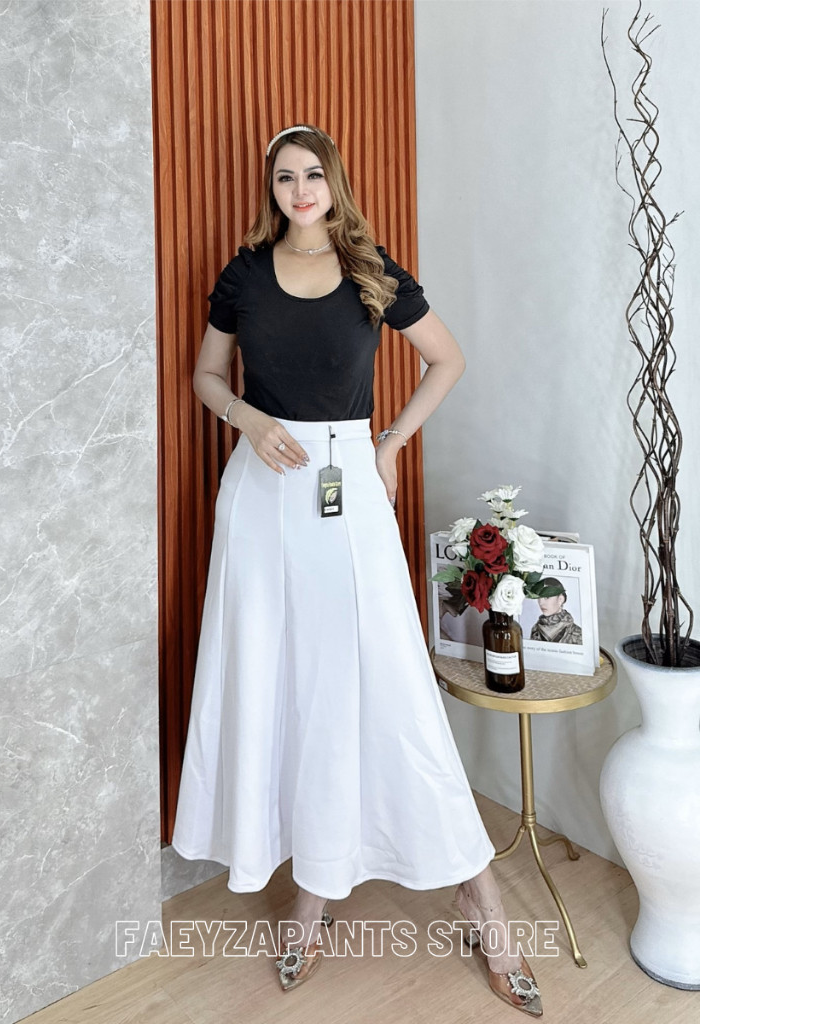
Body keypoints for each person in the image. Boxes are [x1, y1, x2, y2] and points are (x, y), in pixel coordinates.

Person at [169, 125, 542, 1016]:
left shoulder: (372, 270)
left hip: (348, 492)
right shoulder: (244, 275)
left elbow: (447, 358)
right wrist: (247, 419)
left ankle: (480, 900)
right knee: (286, 684)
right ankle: (314, 892)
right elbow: (207, 375)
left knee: (389, 683)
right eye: (284, 177)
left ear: (334, 182)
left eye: (312, 174)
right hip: (261, 496)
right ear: (272, 189)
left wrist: (390, 442)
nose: (300, 189)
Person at [530, 580, 583, 645]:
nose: (541, 602)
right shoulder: (535, 629)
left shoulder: (577, 633)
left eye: (547, 597)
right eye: (538, 597)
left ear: (560, 599)